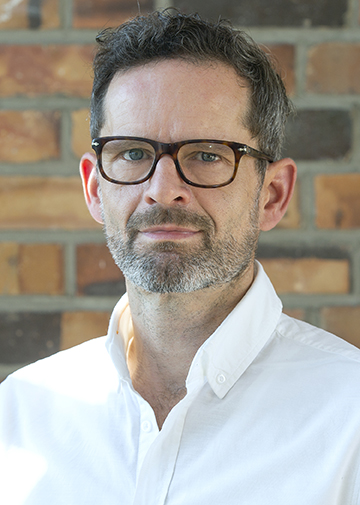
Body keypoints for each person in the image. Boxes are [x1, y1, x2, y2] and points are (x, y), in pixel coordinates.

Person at [1, 10, 360, 505]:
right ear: (93, 187)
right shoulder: (20, 414)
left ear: (272, 195)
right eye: (132, 153)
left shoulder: (349, 419)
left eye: (208, 154)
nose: (163, 191)